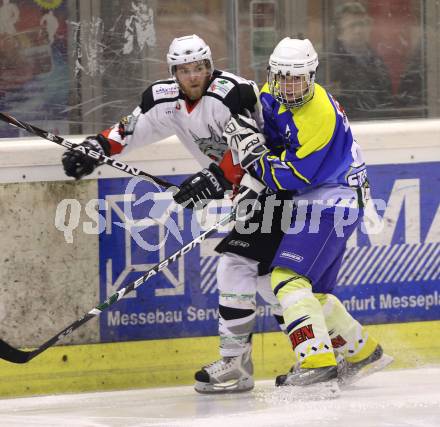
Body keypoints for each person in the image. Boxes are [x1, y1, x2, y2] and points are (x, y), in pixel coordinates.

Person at [61, 34, 286, 394]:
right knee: (264, 278)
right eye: (184, 70)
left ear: (209, 67)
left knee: (241, 268)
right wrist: (95, 149)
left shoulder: (232, 93)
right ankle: (334, 347)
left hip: (272, 187)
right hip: (245, 196)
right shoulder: (164, 100)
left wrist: (214, 177)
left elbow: (250, 143)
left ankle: (246, 363)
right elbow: (130, 129)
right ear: (173, 72)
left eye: (200, 68)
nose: (194, 77)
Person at [212, 37, 394, 394]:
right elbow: (267, 132)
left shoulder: (319, 116)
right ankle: (362, 353)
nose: (290, 86)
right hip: (318, 203)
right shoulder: (271, 90)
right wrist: (242, 120)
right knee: (313, 295)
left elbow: (291, 176)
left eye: (299, 78)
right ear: (272, 74)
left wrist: (253, 160)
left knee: (286, 279)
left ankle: (317, 364)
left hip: (332, 204)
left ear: (312, 75)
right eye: (283, 77)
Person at [328, 2, 394, 119]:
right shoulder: (330, 64)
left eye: (362, 24)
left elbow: (387, 98)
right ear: (339, 33)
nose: (358, 30)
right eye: (352, 25)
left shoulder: (377, 61)